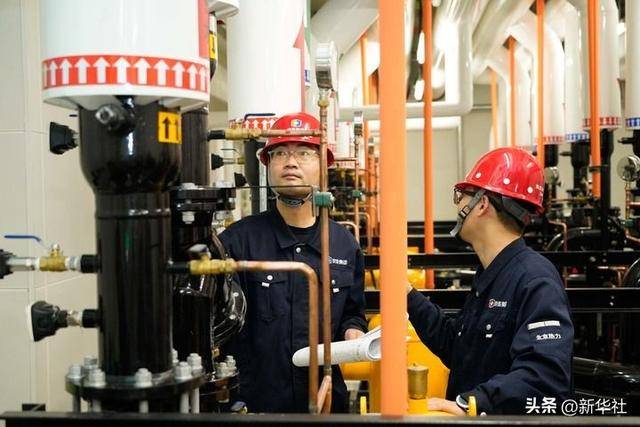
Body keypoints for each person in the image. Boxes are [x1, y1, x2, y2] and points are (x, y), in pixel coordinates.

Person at [219, 112, 367, 413]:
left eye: (304, 153)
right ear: (267, 165)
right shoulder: (237, 242)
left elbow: (352, 314)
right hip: (254, 407)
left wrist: (353, 331)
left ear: (323, 167)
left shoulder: (344, 243)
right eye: (280, 153)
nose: (290, 162)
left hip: (326, 403)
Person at [408, 147, 574, 415]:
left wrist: (472, 403)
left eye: (462, 196)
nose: (458, 206)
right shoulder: (492, 274)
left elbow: (543, 377)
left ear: (482, 204)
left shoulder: (535, 280)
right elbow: (459, 349)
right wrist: (408, 296)